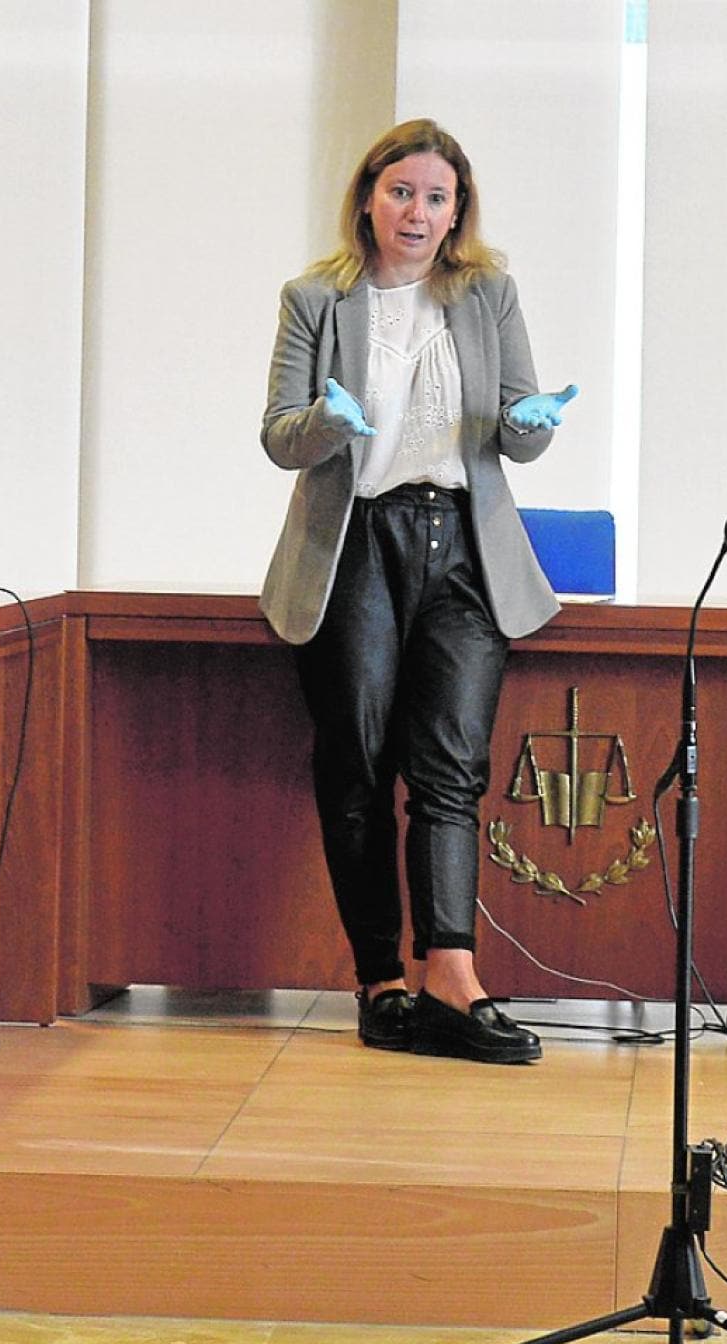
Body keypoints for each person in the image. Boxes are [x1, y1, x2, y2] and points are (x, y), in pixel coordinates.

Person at [260, 118, 580, 1065]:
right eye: (402, 191)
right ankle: (379, 981)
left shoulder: (486, 295)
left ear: (457, 213)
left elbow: (518, 436)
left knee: (450, 766)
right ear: (368, 197)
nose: (418, 211)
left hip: (462, 550)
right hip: (355, 541)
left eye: (437, 197)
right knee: (356, 761)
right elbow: (281, 435)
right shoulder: (317, 297)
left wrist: (531, 423)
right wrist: (327, 418)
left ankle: (452, 969)